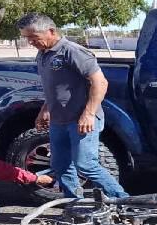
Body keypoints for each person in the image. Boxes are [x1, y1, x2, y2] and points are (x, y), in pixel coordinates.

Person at [16, 12, 128, 198]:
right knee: (60, 165)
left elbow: (100, 83)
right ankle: (75, 204)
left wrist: (89, 113)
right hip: (58, 121)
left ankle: (124, 200)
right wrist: (45, 110)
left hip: (81, 120)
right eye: (26, 38)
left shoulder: (73, 51)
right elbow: (55, 87)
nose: (30, 42)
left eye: (33, 37)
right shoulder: (43, 54)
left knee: (85, 164)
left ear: (50, 31)